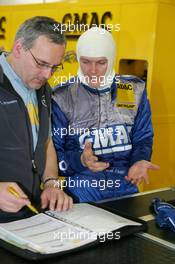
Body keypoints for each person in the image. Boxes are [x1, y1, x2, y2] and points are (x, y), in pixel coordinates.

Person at [52, 27, 159, 202]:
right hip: (82, 193)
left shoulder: (133, 89)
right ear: (78, 59)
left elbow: (143, 137)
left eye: (101, 62)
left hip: (126, 188)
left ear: (112, 59)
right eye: (85, 62)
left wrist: (139, 160)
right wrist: (81, 160)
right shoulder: (62, 96)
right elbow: (53, 156)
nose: (92, 71)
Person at [0, 16, 73, 221]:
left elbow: (46, 142)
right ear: (18, 48)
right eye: (41, 63)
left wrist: (51, 183)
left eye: (54, 67)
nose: (48, 74)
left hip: (28, 216)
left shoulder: (42, 88)